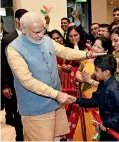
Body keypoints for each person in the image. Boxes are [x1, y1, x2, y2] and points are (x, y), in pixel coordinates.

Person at [6, 12, 104, 141]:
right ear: (23, 29)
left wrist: (86, 55)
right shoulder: (14, 49)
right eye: (36, 32)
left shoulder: (46, 40)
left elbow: (64, 52)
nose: (41, 35)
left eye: (43, 30)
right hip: (36, 108)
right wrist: (56, 94)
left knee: (57, 138)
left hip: (56, 104)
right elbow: (27, 81)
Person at [75, 54, 119, 141]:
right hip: (107, 128)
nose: (94, 72)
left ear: (107, 72)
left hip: (116, 132)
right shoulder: (103, 83)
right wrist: (76, 100)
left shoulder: (114, 89)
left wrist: (107, 123)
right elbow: (94, 101)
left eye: (96, 70)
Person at [73, 37, 114, 141]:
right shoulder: (87, 60)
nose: (94, 48)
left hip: (98, 103)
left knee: (95, 129)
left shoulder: (108, 64)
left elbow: (107, 86)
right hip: (85, 99)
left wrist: (89, 81)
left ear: (106, 51)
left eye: (98, 47)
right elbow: (78, 71)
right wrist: (80, 77)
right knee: (83, 127)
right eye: (94, 45)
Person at [1, 9, 28, 141]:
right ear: (17, 21)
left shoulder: (30, 36)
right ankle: (19, 137)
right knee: (17, 111)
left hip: (30, 81)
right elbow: (3, 64)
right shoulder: (8, 38)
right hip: (14, 81)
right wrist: (5, 85)